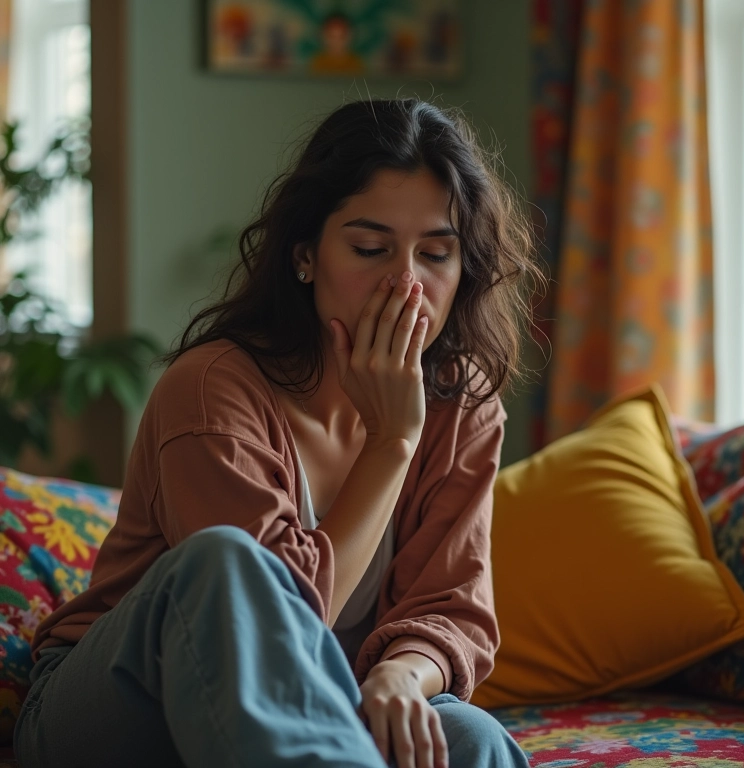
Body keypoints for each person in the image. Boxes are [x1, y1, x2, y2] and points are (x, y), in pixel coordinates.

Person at [15, 98, 539, 768]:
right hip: (125, 704)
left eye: (436, 254)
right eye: (370, 248)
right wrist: (390, 444)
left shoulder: (461, 403)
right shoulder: (212, 388)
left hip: (321, 701)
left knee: (471, 739)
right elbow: (275, 624)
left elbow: (452, 607)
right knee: (228, 562)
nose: (406, 284)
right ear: (305, 258)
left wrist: (401, 675)